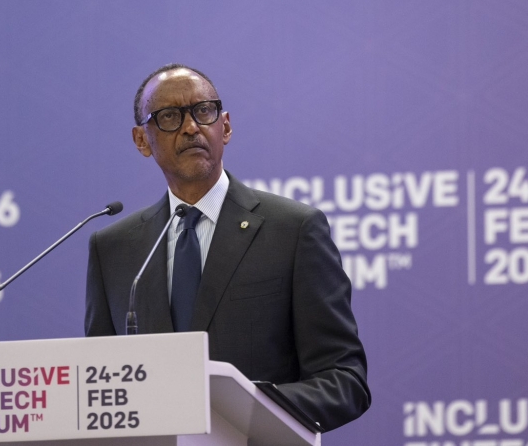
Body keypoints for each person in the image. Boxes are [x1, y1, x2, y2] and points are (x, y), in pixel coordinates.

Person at [84, 64, 370, 431]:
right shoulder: (113, 249)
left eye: (203, 111)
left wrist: (242, 410)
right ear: (142, 140)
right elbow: (101, 387)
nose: (191, 127)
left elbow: (343, 381)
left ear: (226, 126)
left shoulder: (293, 230)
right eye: (169, 116)